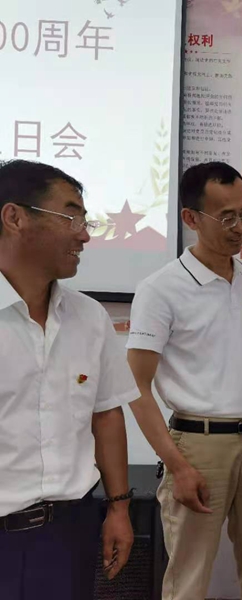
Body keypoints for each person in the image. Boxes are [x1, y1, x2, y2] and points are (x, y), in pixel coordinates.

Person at [126, 161, 242, 600]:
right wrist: (178, 466)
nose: (240, 228)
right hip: (198, 446)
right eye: (227, 217)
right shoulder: (160, 289)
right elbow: (136, 385)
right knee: (189, 576)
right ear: (191, 219)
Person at [0, 160, 139, 599]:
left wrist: (119, 509)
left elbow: (107, 414)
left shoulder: (90, 318)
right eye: (71, 217)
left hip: (68, 534)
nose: (84, 235)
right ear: (14, 217)